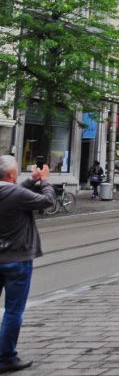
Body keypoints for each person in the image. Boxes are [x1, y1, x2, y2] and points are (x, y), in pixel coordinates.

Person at [0, 156, 55, 374]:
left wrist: (32, 181)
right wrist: (45, 181)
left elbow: (15, 193)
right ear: (12, 175)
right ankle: (5, 357)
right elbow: (47, 201)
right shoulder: (16, 194)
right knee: (13, 311)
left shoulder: (12, 193)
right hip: (17, 259)